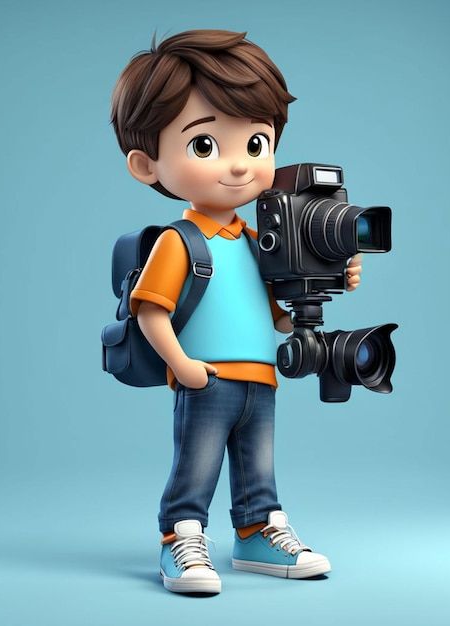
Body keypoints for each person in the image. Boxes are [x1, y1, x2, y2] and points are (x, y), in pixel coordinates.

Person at [110, 29, 362, 594]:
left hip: (260, 378)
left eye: (257, 144)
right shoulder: (179, 242)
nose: (240, 166)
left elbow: (278, 318)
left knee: (258, 469)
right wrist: (184, 365)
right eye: (204, 145)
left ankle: (256, 532)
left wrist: (331, 279)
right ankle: (181, 536)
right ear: (146, 165)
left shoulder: (259, 242)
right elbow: (151, 312)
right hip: (206, 378)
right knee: (195, 468)